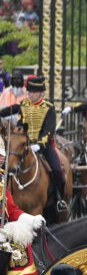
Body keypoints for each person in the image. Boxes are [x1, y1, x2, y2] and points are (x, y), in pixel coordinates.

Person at [0, 75, 68, 212]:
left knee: (57, 169)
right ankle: (4, 198)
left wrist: (39, 144)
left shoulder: (48, 107)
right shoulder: (24, 104)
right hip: (24, 145)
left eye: (33, 92)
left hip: (43, 145)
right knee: (7, 167)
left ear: (41, 93)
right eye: (29, 91)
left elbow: (49, 130)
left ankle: (59, 199)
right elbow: (20, 124)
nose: (30, 94)